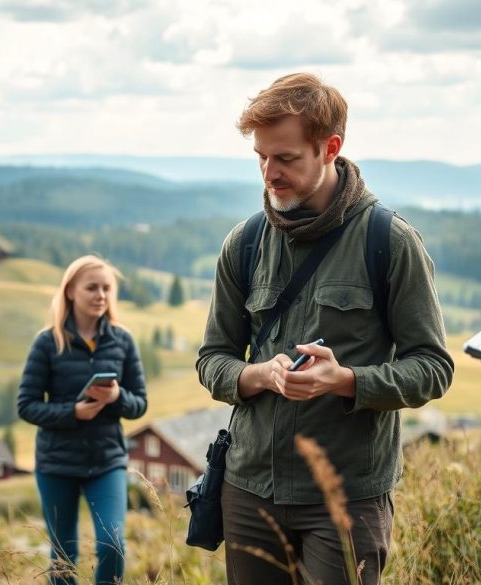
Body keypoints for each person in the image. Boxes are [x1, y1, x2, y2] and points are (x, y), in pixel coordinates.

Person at [195, 73, 454, 585]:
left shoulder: (390, 242)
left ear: (330, 148)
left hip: (345, 498)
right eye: (261, 157)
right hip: (249, 491)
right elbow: (212, 359)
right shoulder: (244, 243)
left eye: (286, 158)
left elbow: (433, 369)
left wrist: (346, 380)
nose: (269, 173)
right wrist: (259, 376)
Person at [17, 254, 147, 585]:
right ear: (71, 291)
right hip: (56, 464)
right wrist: (72, 413)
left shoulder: (122, 340)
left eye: (106, 288)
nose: (101, 295)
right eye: (92, 287)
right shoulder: (47, 343)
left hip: (106, 461)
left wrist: (117, 398)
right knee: (63, 555)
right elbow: (27, 405)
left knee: (113, 545)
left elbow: (140, 404)